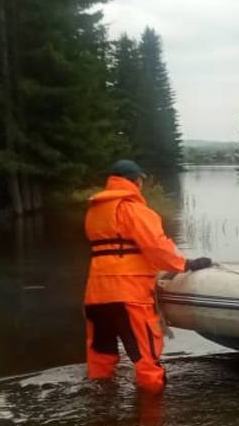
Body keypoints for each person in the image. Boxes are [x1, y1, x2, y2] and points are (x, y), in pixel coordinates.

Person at [83, 159, 210, 394]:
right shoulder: (133, 209)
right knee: (146, 359)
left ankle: (100, 405)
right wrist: (186, 264)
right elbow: (156, 247)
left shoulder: (94, 211)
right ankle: (152, 419)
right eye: (141, 180)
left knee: (101, 355)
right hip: (129, 294)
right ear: (136, 181)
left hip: (96, 295)